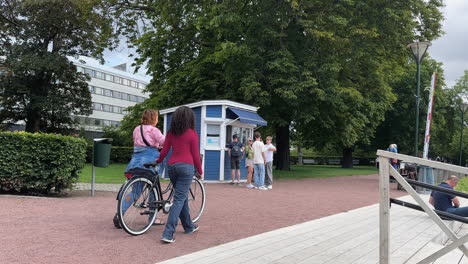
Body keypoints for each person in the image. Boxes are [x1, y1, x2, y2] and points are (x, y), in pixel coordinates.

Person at [156, 106, 203, 243]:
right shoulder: (192, 134)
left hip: (172, 167)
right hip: (186, 168)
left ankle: (189, 226)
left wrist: (158, 161)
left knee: (181, 197)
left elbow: (164, 152)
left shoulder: (171, 133)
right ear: (190, 119)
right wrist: (200, 171)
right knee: (179, 199)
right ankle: (168, 233)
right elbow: (195, 155)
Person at [114, 109, 166, 228]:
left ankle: (119, 215)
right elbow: (164, 141)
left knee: (135, 192)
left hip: (136, 161)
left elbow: (138, 143)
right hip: (149, 159)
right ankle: (153, 217)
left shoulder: (137, 129)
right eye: (157, 118)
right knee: (154, 188)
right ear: (154, 118)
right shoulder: (154, 130)